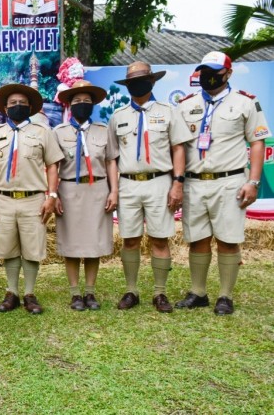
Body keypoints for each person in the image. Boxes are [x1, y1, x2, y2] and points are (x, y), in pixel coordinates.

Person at [175, 51, 270, 315]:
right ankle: (198, 292)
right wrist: (178, 181)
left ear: (228, 73)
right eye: (204, 72)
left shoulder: (245, 103)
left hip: (229, 182)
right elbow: (179, 146)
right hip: (194, 183)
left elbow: (258, 142)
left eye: (214, 72)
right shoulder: (186, 104)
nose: (208, 77)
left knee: (228, 240)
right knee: (198, 239)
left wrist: (253, 181)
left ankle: (225, 296)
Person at [107, 61, 193, 313]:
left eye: (142, 80)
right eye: (132, 81)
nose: (137, 85)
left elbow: (179, 148)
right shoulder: (118, 115)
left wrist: (177, 183)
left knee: (159, 239)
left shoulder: (169, 111)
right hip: (129, 184)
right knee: (130, 240)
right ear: (127, 86)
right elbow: (112, 158)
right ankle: (131, 290)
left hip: (159, 182)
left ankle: (160, 293)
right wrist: (114, 189)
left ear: (153, 81)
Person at [0, 83, 63, 314]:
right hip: (4, 199)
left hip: (33, 199)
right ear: (5, 108)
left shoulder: (42, 132)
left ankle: (29, 292)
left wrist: (52, 195)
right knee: (8, 247)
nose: (17, 106)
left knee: (32, 248)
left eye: (22, 103)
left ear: (29, 107)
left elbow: (52, 166)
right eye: (12, 104)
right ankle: (12, 292)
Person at [53, 81, 118, 311]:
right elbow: (52, 166)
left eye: (86, 101)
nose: (82, 105)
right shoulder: (59, 132)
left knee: (93, 242)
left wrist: (114, 190)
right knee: (71, 243)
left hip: (97, 191)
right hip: (69, 191)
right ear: (70, 105)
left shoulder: (103, 130)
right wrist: (53, 195)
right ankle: (74, 293)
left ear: (93, 105)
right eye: (77, 101)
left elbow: (110, 161)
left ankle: (90, 292)